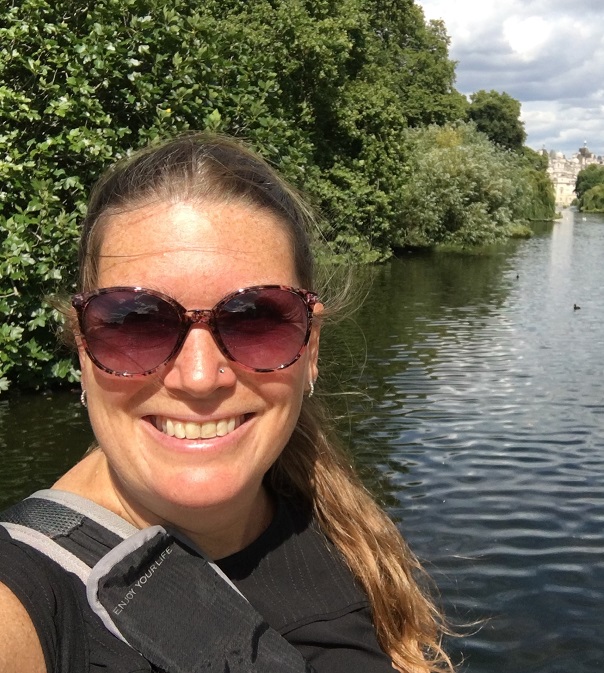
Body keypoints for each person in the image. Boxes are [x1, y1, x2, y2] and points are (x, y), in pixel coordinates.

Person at [0, 133, 453, 673]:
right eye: (134, 322)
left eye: (256, 319)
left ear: (310, 348)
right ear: (83, 347)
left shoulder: (338, 527)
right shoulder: (27, 600)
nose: (197, 378)